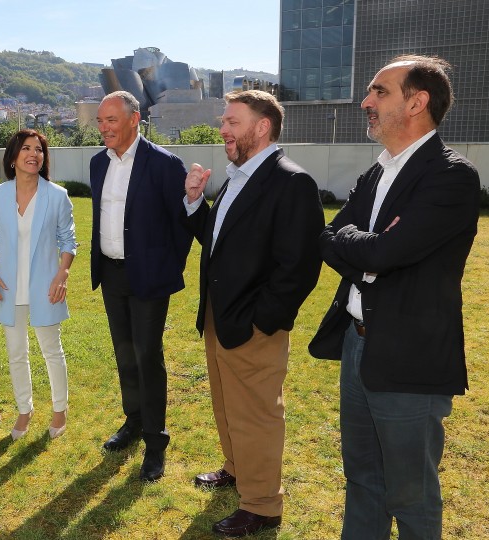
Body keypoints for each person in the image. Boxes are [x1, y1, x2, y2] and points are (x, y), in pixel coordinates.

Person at [309, 55, 480, 540]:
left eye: (379, 91)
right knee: (362, 478)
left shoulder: (451, 175)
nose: (366, 101)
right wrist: (370, 248)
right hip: (357, 343)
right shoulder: (377, 172)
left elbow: (385, 253)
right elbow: (329, 238)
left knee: (411, 492)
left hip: (410, 355)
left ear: (417, 102)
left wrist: (370, 248)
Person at [183, 90, 323, 537]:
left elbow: (299, 267)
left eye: (232, 122)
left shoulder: (291, 182)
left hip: (253, 326)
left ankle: (262, 505)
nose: (222, 129)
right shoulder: (237, 177)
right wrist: (195, 203)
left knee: (257, 415)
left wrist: (264, 322)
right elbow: (221, 242)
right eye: (224, 121)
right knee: (227, 404)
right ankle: (236, 468)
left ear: (262, 127)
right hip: (220, 317)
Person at [90, 91, 194, 482]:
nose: (104, 128)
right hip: (111, 274)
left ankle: (155, 441)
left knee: (148, 356)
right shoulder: (98, 163)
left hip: (150, 277)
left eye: (111, 120)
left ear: (134, 119)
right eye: (100, 121)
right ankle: (133, 422)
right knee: (125, 354)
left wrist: (166, 268)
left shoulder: (165, 164)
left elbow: (182, 226)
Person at [0, 129, 76, 440]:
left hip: (46, 286)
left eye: (39, 149)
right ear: (13, 157)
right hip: (8, 286)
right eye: (26, 148)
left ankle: (60, 410)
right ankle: (25, 410)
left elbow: (68, 240)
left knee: (52, 350)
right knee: (15, 352)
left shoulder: (57, 196)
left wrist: (62, 274)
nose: (33, 154)